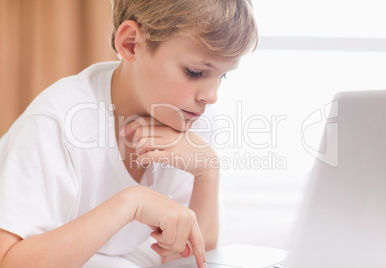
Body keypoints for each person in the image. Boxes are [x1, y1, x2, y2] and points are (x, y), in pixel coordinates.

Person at [0, 0, 258, 267]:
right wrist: (131, 202)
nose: (211, 96)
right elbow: (8, 260)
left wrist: (208, 172)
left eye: (222, 77)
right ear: (131, 44)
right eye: (194, 72)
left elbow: (192, 258)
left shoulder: (190, 117)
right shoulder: (57, 122)